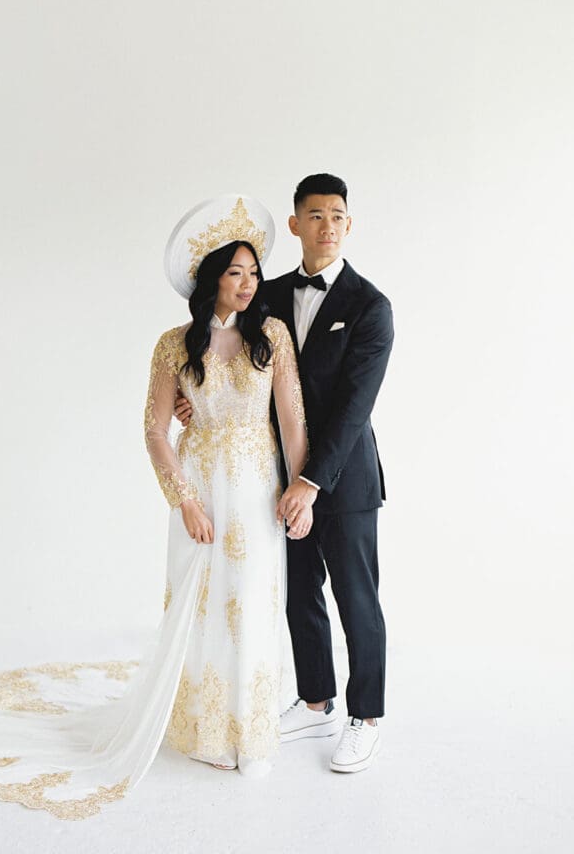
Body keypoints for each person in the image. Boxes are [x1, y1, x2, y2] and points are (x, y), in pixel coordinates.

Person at [0, 194, 312, 820]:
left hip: (258, 489)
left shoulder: (272, 337)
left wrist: (301, 492)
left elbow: (293, 424)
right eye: (234, 272)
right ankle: (209, 732)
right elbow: (156, 430)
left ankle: (255, 729)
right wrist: (183, 499)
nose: (247, 284)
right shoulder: (173, 344)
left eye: (253, 272)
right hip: (203, 486)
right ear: (211, 277)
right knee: (204, 605)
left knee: (253, 599)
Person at [177, 173, 393, 773]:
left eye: (339, 216)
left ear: (349, 225)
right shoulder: (264, 295)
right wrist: (190, 398)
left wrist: (310, 480)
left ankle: (365, 716)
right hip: (267, 479)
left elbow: (354, 409)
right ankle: (317, 699)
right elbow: (217, 351)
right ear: (295, 224)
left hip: (342, 480)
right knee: (300, 593)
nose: (328, 226)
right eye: (315, 216)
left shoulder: (371, 307)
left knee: (356, 598)